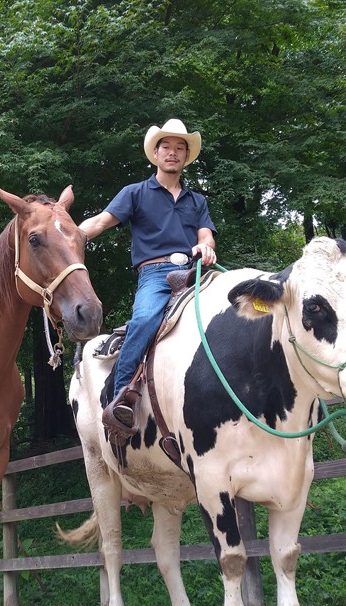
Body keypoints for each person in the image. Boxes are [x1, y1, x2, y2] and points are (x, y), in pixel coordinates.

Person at [79, 118, 218, 442]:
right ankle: (121, 396)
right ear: (155, 154)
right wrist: (64, 235)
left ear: (186, 156)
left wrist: (205, 247)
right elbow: (99, 223)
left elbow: (207, 237)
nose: (173, 153)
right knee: (143, 320)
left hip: (196, 272)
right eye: (166, 147)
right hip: (156, 275)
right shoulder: (136, 193)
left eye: (179, 148)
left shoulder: (197, 201)